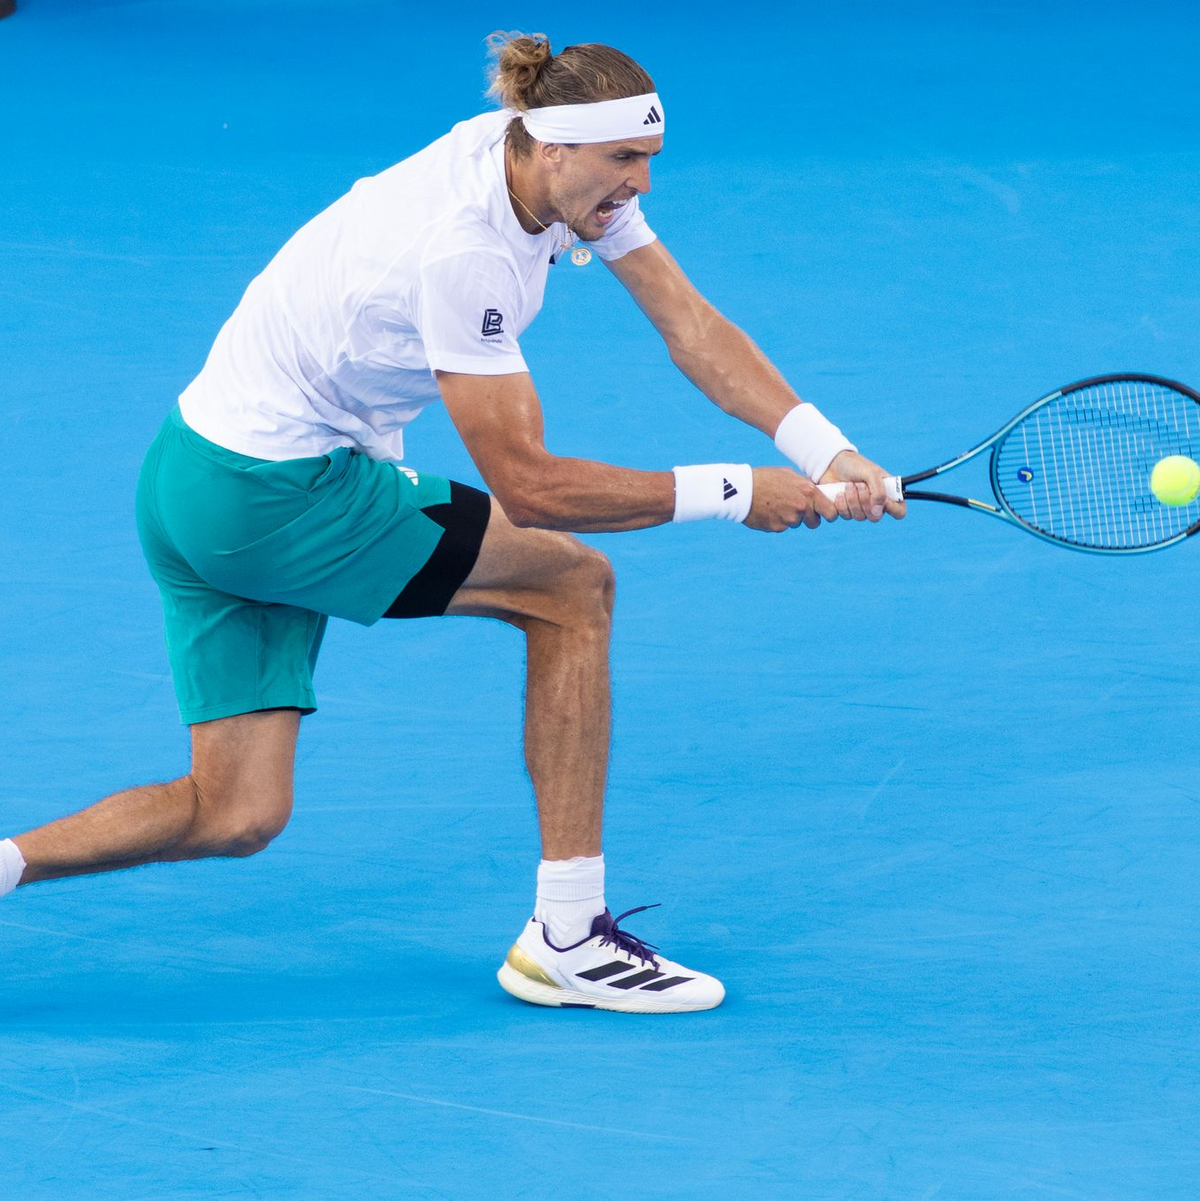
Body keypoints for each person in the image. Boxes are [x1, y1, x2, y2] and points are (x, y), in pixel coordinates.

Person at [0, 33, 904, 1013]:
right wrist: (736, 492)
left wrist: (823, 449)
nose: (642, 184)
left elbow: (687, 320)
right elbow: (533, 488)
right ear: (554, 148)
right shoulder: (465, 251)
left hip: (192, 478)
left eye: (650, 159)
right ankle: (566, 936)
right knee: (571, 586)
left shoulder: (529, 160)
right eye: (625, 161)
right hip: (276, 495)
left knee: (235, 811)